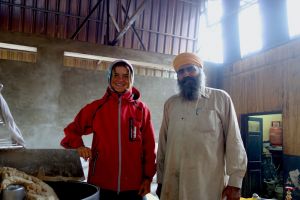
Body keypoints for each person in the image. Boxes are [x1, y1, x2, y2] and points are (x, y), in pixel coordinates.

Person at [156, 52, 247, 200]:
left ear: (200, 71)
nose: (186, 75)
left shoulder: (221, 99)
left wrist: (235, 182)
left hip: (206, 187)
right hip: (173, 184)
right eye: (181, 71)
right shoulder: (170, 104)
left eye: (191, 69)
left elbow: (234, 141)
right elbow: (163, 146)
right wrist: (160, 180)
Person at [61, 59, 156, 200]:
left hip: (134, 185)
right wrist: (79, 146)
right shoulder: (96, 108)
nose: (120, 80)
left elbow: (149, 146)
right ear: (109, 77)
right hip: (101, 182)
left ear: (132, 79)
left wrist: (148, 178)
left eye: (125, 76)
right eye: (116, 75)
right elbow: (72, 130)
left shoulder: (141, 109)